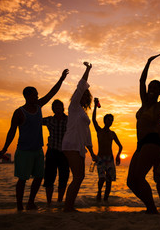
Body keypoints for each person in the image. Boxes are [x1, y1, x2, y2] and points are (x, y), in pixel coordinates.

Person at [0, 69, 69, 211]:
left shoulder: (38, 106)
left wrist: (61, 79)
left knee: (39, 177)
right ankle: (19, 205)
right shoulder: (19, 112)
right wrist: (5, 148)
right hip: (24, 151)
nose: (37, 96)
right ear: (28, 96)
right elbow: (12, 131)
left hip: (38, 150)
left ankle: (30, 202)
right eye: (35, 94)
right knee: (22, 179)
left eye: (37, 94)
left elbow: (51, 93)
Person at [127, 54, 160, 214]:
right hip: (140, 144)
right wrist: (148, 62)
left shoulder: (159, 106)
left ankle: (152, 208)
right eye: (151, 87)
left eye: (156, 88)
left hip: (152, 142)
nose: (152, 90)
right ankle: (150, 206)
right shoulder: (143, 103)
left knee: (139, 177)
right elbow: (141, 81)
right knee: (130, 181)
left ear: (159, 93)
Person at [62, 62, 97, 212]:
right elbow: (81, 86)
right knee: (77, 177)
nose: (85, 97)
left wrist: (93, 152)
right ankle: (68, 207)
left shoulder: (82, 112)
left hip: (79, 146)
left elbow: (87, 135)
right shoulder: (74, 106)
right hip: (71, 144)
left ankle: (69, 205)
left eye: (86, 96)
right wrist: (88, 69)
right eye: (83, 94)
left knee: (80, 176)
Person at [92, 98, 123, 202]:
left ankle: (105, 200)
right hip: (100, 158)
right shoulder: (99, 131)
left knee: (109, 180)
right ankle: (99, 192)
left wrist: (118, 155)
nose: (110, 121)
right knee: (101, 179)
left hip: (109, 159)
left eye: (111, 120)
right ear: (104, 120)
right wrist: (95, 106)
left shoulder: (112, 134)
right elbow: (93, 120)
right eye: (108, 120)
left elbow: (120, 146)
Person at [42, 99, 69, 206]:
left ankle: (59, 201)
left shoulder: (69, 120)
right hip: (52, 151)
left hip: (65, 152)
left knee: (63, 177)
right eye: (55, 107)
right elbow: (35, 121)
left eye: (59, 107)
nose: (58, 109)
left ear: (63, 108)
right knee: (49, 177)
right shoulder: (49, 120)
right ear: (53, 109)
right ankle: (49, 202)